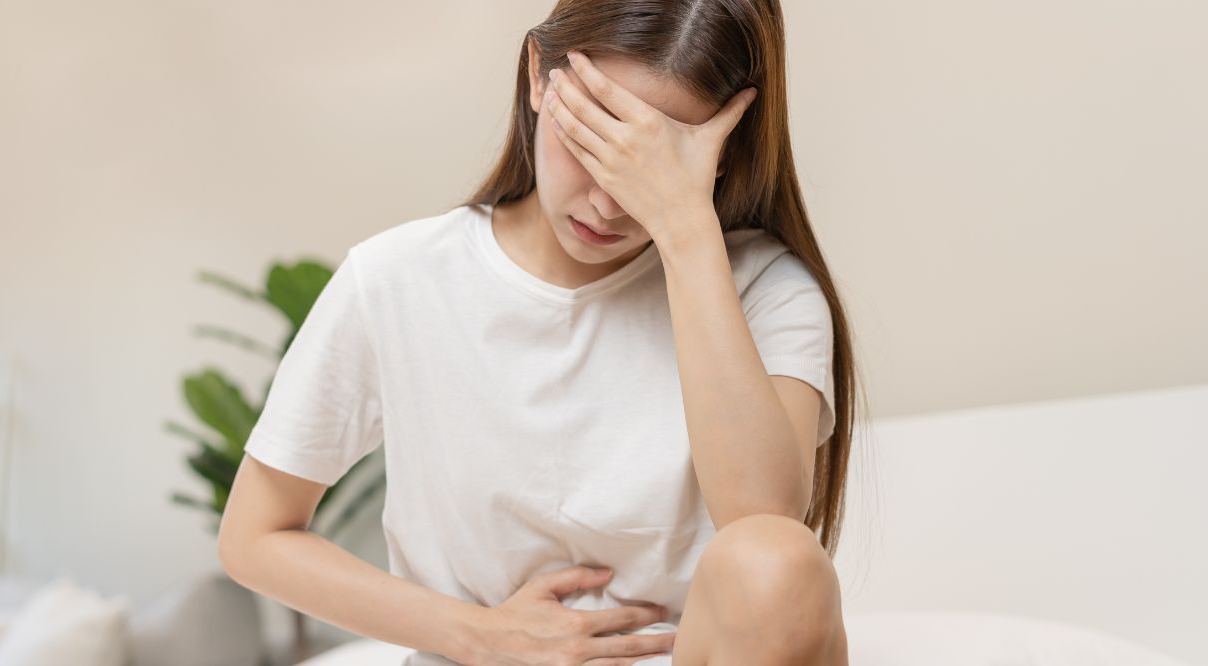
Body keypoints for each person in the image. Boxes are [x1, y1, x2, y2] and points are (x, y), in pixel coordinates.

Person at [218, 1, 864, 664]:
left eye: (650, 161)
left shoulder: (763, 289)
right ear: (536, 74)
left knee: (777, 559)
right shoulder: (397, 278)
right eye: (593, 139)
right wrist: (478, 634)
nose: (608, 203)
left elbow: (762, 518)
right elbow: (253, 536)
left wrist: (685, 230)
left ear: (723, 149)